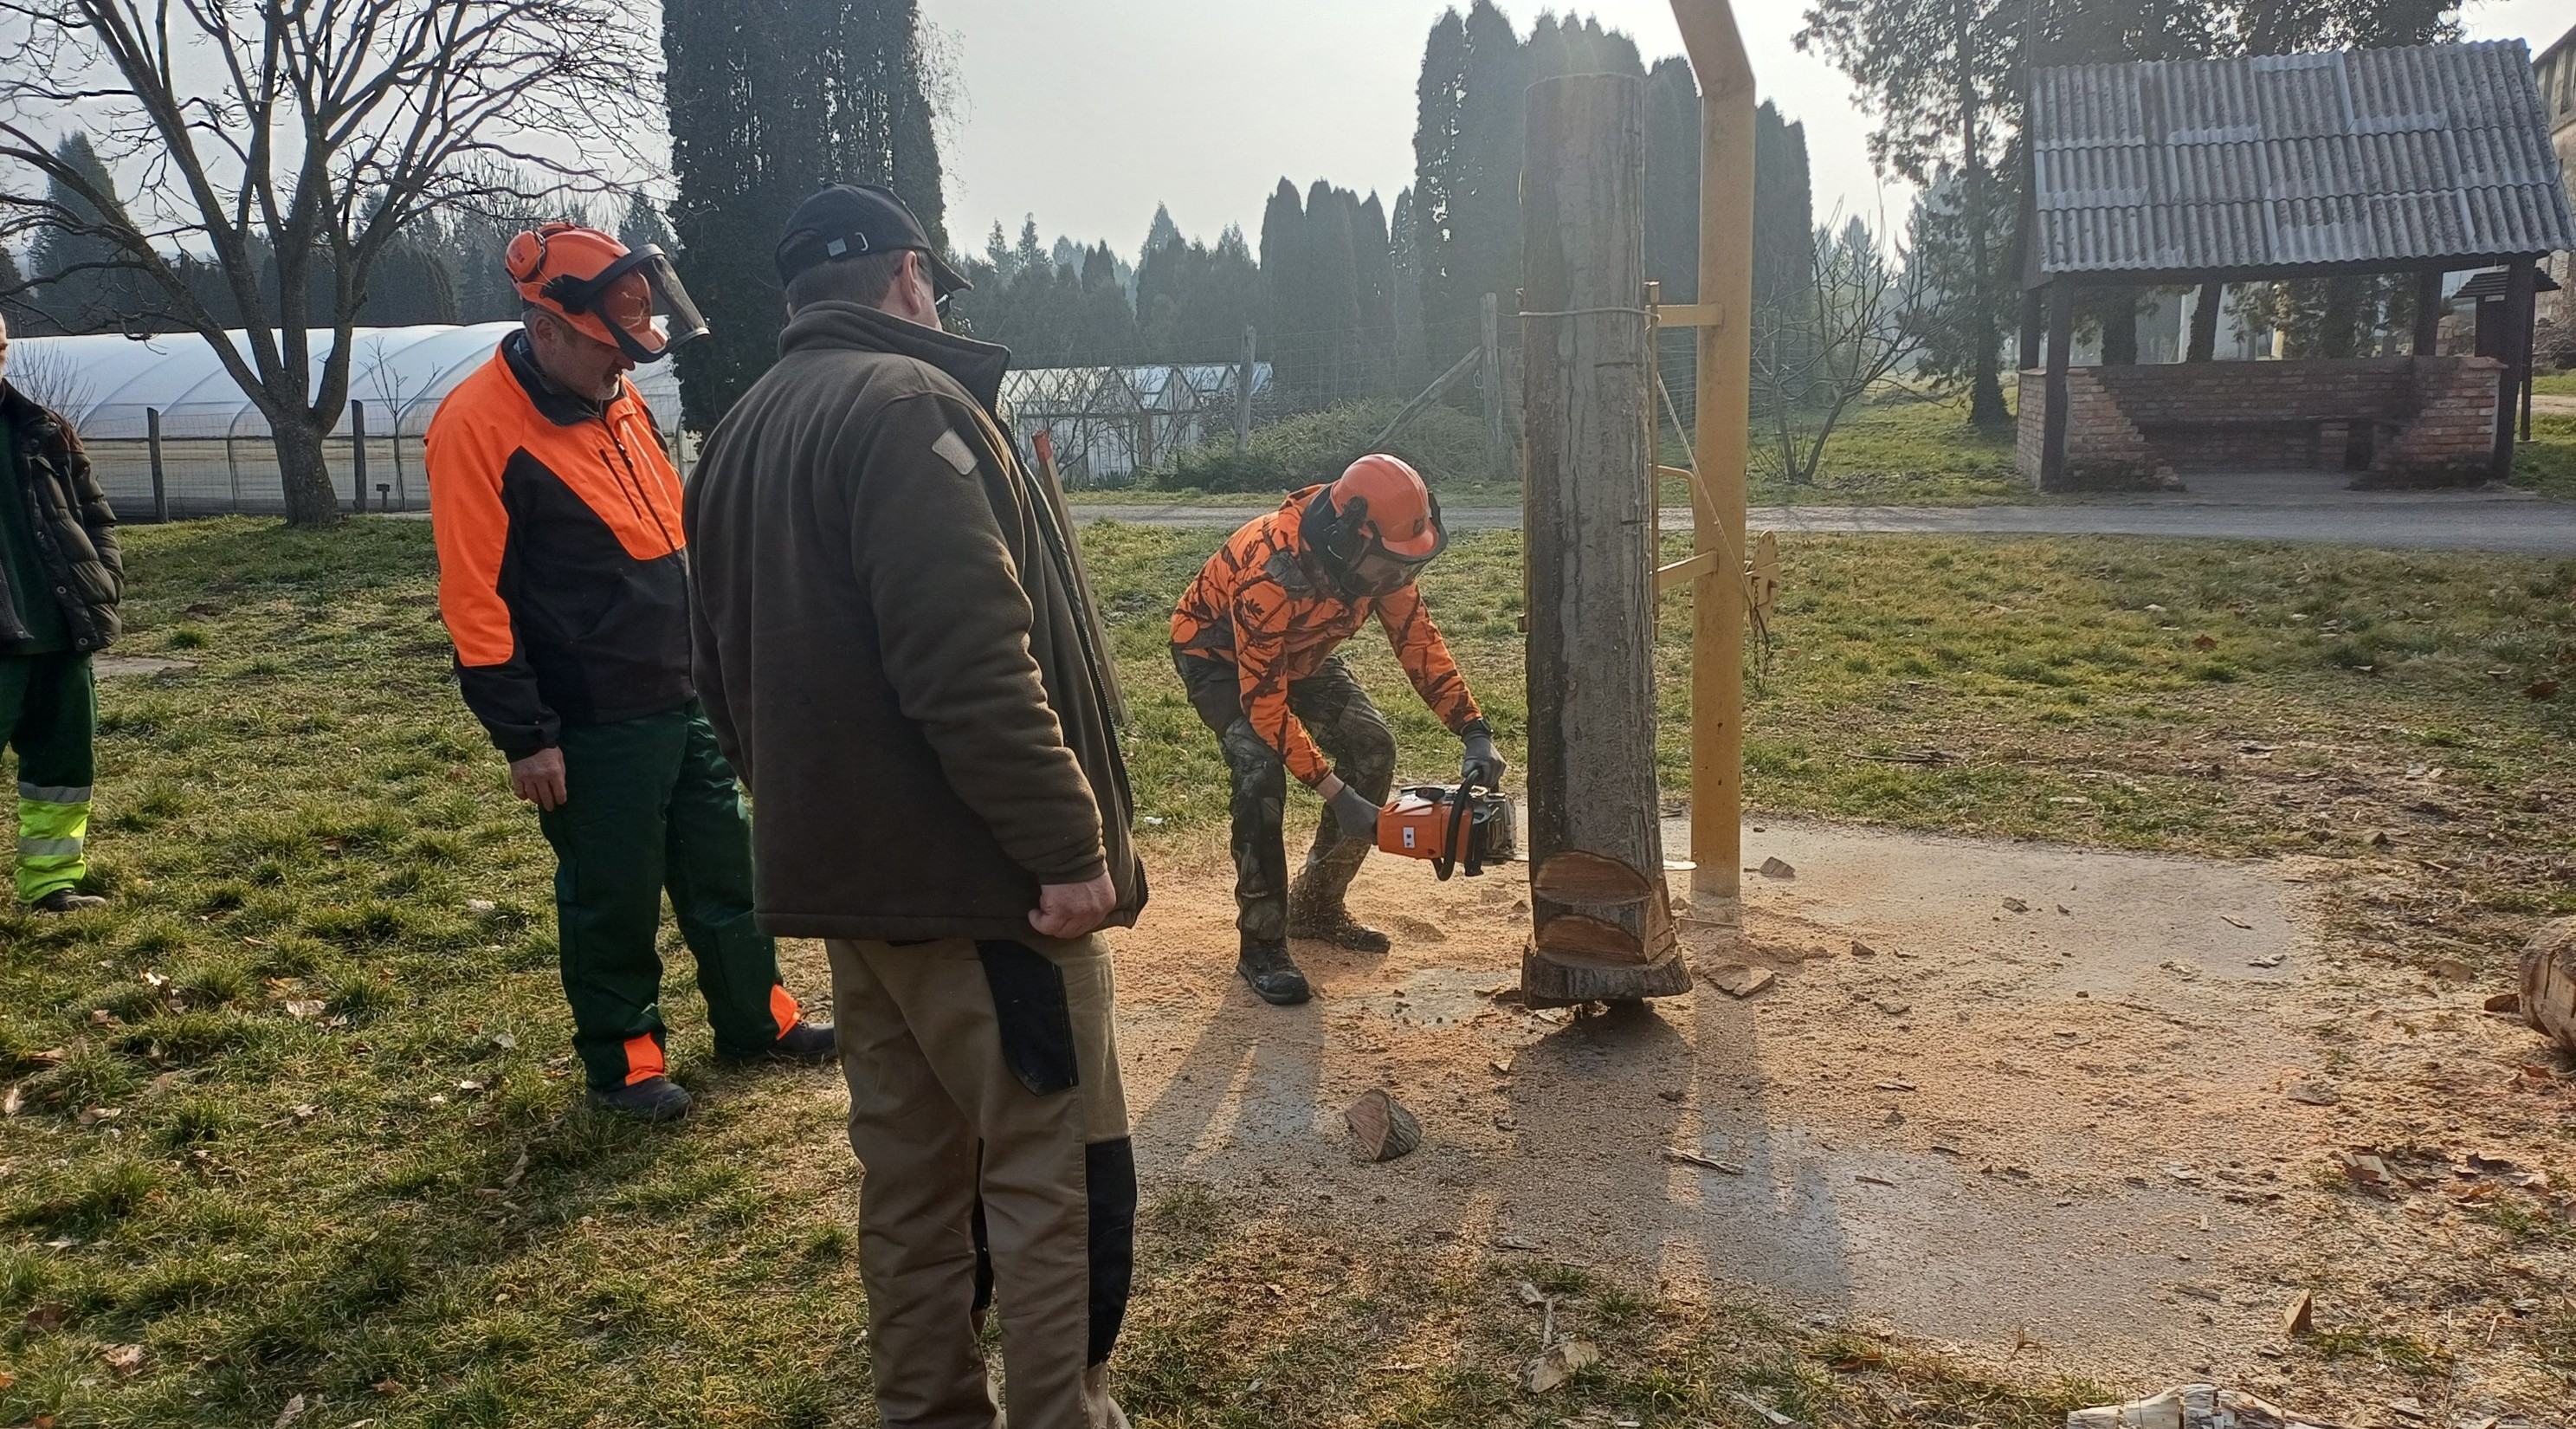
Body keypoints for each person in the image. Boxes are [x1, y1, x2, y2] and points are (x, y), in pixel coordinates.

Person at [686, 183, 1146, 1429]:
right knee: (1053, 1178)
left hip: (855, 895)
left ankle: (928, 1409)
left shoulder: (737, 433)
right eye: (934, 284)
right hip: (985, 894)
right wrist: (1065, 848)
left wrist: (813, 822)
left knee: (909, 1184)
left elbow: (715, 670)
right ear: (907, 277)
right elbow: (970, 664)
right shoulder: (910, 407)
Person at [423, 223, 834, 1123]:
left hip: (684, 686)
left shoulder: (618, 398)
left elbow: (669, 537)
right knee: (612, 895)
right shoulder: (476, 426)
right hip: (590, 716)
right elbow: (474, 598)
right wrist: (525, 736)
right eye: (609, 348)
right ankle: (625, 1064)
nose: (624, 366)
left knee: (727, 870)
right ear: (547, 327)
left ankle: (757, 1019)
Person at [1170, 454, 1503, 1005]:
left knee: (1372, 747)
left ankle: (1317, 906)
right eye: (1389, 566)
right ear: (1349, 539)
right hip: (1221, 656)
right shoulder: (1270, 571)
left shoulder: (1383, 559)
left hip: (1301, 651)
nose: (1396, 579)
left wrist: (1473, 729)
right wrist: (1336, 793)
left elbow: (1417, 641)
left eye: (1405, 566)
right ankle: (1262, 943)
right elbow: (1265, 706)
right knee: (1260, 772)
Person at [0, 312, 121, 915]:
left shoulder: (43, 429)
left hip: (59, 631)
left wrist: (105, 580)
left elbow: (93, 515)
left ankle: (50, 882)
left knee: (63, 769)